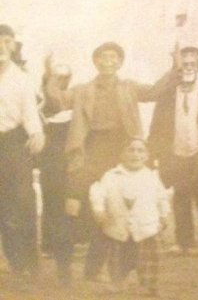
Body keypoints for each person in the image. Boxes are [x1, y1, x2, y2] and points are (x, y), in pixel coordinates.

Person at [44, 43, 177, 280]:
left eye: (114, 58)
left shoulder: (129, 87)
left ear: (120, 62)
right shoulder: (83, 89)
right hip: (88, 151)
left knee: (116, 212)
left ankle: (99, 270)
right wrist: (51, 76)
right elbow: (59, 100)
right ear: (96, 62)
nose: (109, 62)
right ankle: (63, 266)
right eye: (103, 58)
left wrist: (175, 67)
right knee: (72, 206)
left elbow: (156, 91)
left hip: (121, 153)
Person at [147, 46, 198, 255]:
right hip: (176, 152)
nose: (187, 69)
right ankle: (184, 242)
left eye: (192, 64)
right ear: (177, 69)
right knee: (180, 194)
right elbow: (157, 125)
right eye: (183, 65)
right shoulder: (168, 94)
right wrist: (153, 154)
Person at [89, 138, 170, 296]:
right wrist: (99, 211)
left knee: (149, 259)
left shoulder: (151, 177)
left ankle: (150, 286)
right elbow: (98, 193)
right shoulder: (111, 176)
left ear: (147, 156)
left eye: (140, 151)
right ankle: (117, 282)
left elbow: (161, 197)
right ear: (121, 154)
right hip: (118, 226)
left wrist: (164, 214)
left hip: (145, 227)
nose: (135, 154)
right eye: (130, 150)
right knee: (117, 258)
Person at [0, 24, 45, 288]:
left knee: (22, 202)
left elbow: (30, 110)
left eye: (7, 42)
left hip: (14, 143)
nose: (2, 47)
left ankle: (28, 263)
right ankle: (14, 261)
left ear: (13, 46)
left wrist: (36, 133)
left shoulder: (22, 78)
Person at [39, 60, 75, 284]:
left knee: (68, 208)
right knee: (53, 206)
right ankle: (53, 248)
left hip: (70, 162)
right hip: (50, 163)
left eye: (64, 78)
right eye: (56, 78)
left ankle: (65, 258)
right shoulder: (42, 103)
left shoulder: (71, 100)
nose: (60, 82)